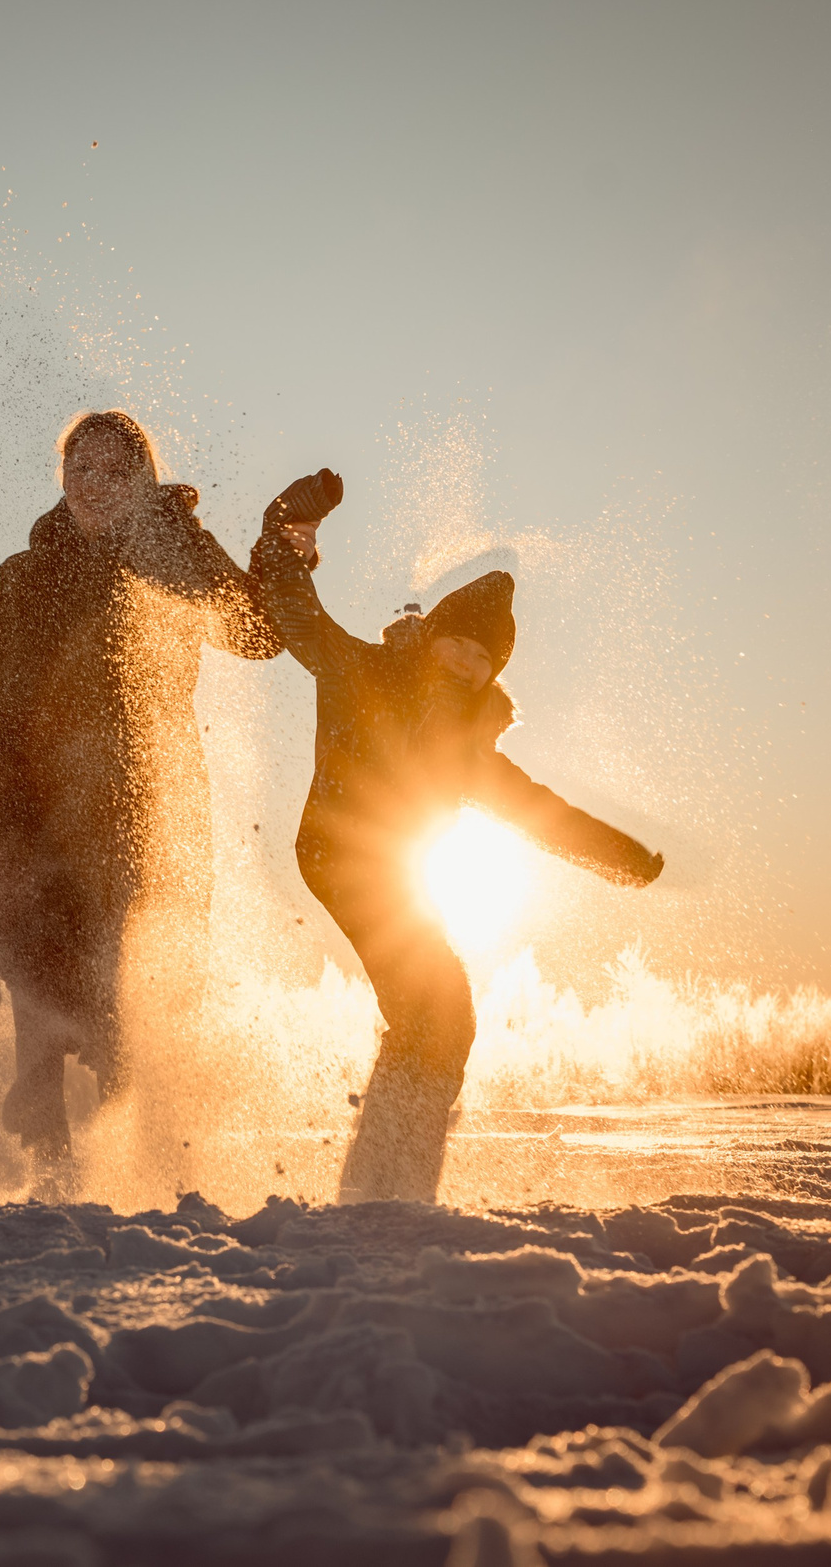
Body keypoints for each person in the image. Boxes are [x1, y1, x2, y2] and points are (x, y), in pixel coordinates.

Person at [250, 469, 664, 1204]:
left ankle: (393, 1171)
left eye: (486, 659)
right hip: (339, 853)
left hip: (399, 877)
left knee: (444, 1012)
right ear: (433, 634)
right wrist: (285, 521)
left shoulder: (468, 748)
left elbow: (540, 811)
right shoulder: (361, 671)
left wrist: (621, 860)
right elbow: (293, 610)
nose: (469, 664)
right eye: (459, 645)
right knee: (433, 1004)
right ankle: (385, 1182)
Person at [0, 410, 284, 1176]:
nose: (97, 486)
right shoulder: (27, 574)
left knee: (126, 1017)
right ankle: (49, 1188)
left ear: (142, 480)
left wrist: (276, 546)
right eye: (82, 471)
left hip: (142, 818)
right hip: (34, 821)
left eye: (116, 472)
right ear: (63, 482)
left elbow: (259, 631)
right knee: (39, 1004)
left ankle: (136, 1190)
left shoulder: (172, 553)